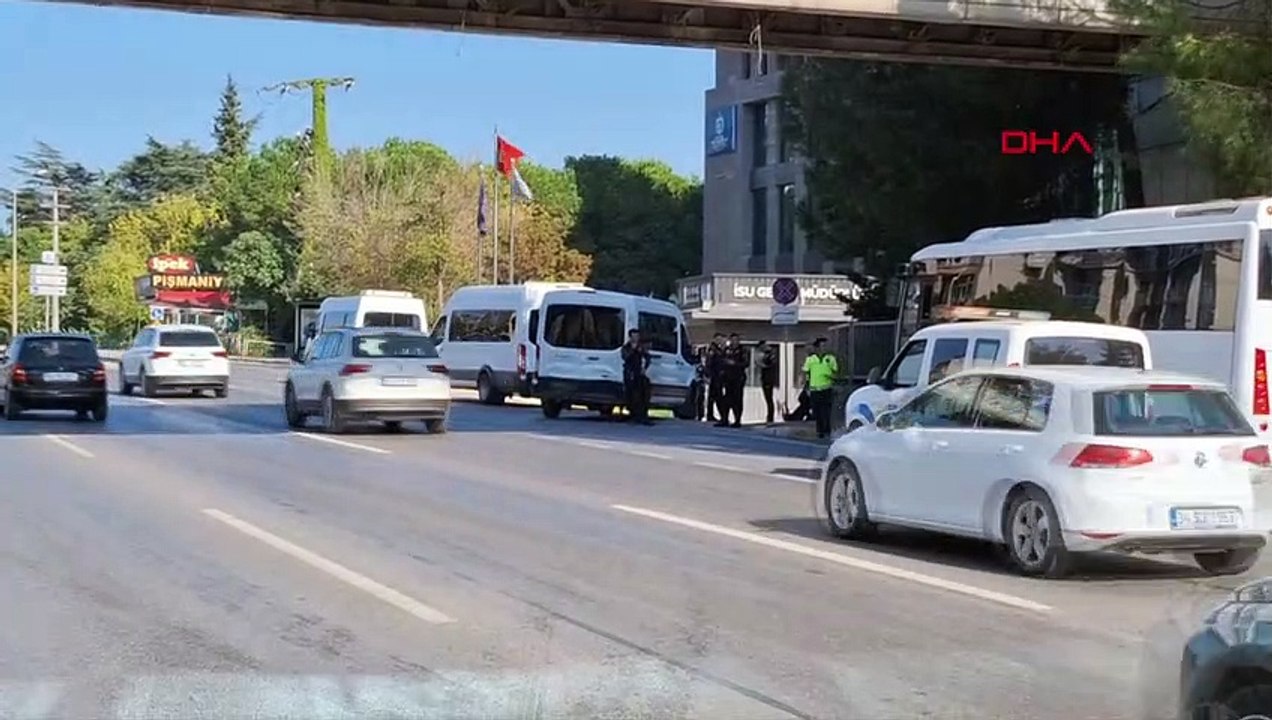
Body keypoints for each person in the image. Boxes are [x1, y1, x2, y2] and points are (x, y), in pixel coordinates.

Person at [802, 337, 839, 439]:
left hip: (826, 389)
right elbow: (806, 373)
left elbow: (836, 373)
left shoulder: (830, 359)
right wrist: (806, 388)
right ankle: (820, 431)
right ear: (817, 348)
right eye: (823, 346)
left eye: (826, 346)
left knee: (826, 411)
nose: (825, 348)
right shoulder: (811, 360)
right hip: (815, 389)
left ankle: (827, 431)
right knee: (817, 412)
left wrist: (830, 376)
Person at [621, 329, 653, 425]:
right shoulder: (626, 348)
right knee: (632, 395)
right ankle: (633, 414)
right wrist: (633, 350)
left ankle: (643, 415)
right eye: (634, 336)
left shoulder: (641, 348)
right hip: (630, 374)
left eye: (637, 336)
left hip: (640, 374)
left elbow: (647, 358)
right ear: (630, 337)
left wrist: (645, 368)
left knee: (644, 394)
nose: (636, 338)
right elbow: (625, 357)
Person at [717, 333, 748, 428]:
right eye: (733, 340)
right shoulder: (727, 350)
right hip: (727, 378)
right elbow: (721, 360)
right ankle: (724, 419)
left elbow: (746, 363)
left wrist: (734, 363)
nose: (735, 342)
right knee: (726, 399)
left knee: (737, 400)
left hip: (738, 378)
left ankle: (737, 420)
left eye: (736, 340)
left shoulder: (743, 350)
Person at [705, 333, 726, 423]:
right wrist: (709, 375)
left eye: (721, 339)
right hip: (715, 375)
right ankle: (720, 415)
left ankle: (711, 414)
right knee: (717, 396)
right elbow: (709, 362)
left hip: (718, 375)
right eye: (718, 339)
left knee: (713, 396)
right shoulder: (713, 349)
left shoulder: (718, 349)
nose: (720, 341)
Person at [757, 340, 779, 424]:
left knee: (769, 398)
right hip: (765, 378)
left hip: (768, 379)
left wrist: (763, 362)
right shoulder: (766, 354)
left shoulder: (770, 354)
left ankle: (770, 416)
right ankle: (769, 416)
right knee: (768, 399)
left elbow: (767, 364)